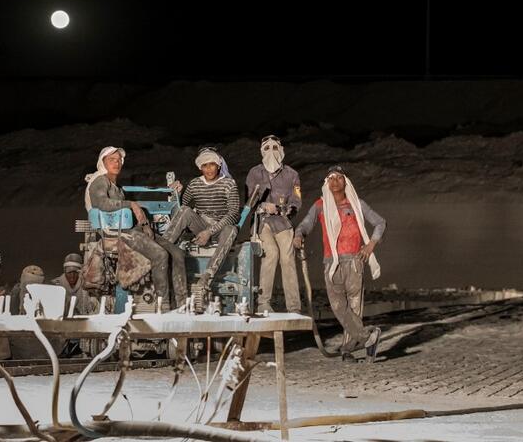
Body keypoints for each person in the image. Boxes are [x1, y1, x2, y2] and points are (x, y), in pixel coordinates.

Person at [293, 165, 386, 362]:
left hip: (354, 261)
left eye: (339, 178)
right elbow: (306, 223)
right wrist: (299, 234)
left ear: (346, 182)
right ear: (326, 183)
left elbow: (380, 222)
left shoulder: (356, 204)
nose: (335, 181)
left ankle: (347, 351)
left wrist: (370, 245)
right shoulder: (320, 205)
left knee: (354, 309)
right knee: (338, 307)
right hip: (331, 262)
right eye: (331, 178)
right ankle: (368, 337)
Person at [85, 146, 187, 310]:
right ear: (102, 162)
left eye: (119, 160)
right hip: (117, 232)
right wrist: (131, 204)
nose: (117, 163)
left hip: (131, 229)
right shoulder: (100, 180)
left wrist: (144, 224)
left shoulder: (116, 186)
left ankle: (182, 303)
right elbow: (101, 203)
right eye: (112, 160)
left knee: (177, 253)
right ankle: (163, 305)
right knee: (160, 254)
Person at [163, 146, 240, 305]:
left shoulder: (228, 184)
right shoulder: (195, 184)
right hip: (201, 225)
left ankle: (207, 277)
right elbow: (179, 209)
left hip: (220, 229)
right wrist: (176, 194)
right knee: (184, 211)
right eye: (205, 165)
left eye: (212, 164)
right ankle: (160, 252)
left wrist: (209, 232)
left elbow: (234, 214)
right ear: (200, 167)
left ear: (218, 165)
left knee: (232, 229)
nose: (209, 169)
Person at [245, 134, 302, 314]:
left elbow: (296, 201)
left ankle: (294, 306)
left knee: (288, 259)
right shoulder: (254, 173)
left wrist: (285, 209)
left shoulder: (292, 174)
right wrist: (262, 205)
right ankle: (263, 303)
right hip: (262, 222)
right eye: (267, 148)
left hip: (283, 222)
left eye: (275, 148)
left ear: (281, 150)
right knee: (270, 255)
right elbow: (249, 200)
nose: (271, 151)